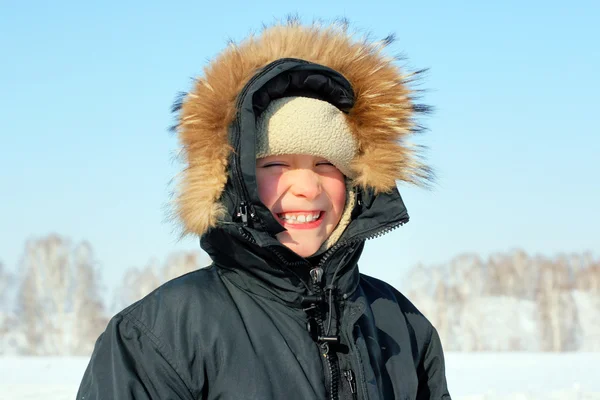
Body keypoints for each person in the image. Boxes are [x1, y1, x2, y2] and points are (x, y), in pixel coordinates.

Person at [77, 20, 451, 399]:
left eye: (327, 165)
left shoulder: (402, 324)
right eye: (274, 165)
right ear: (232, 180)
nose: (307, 188)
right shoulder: (160, 335)